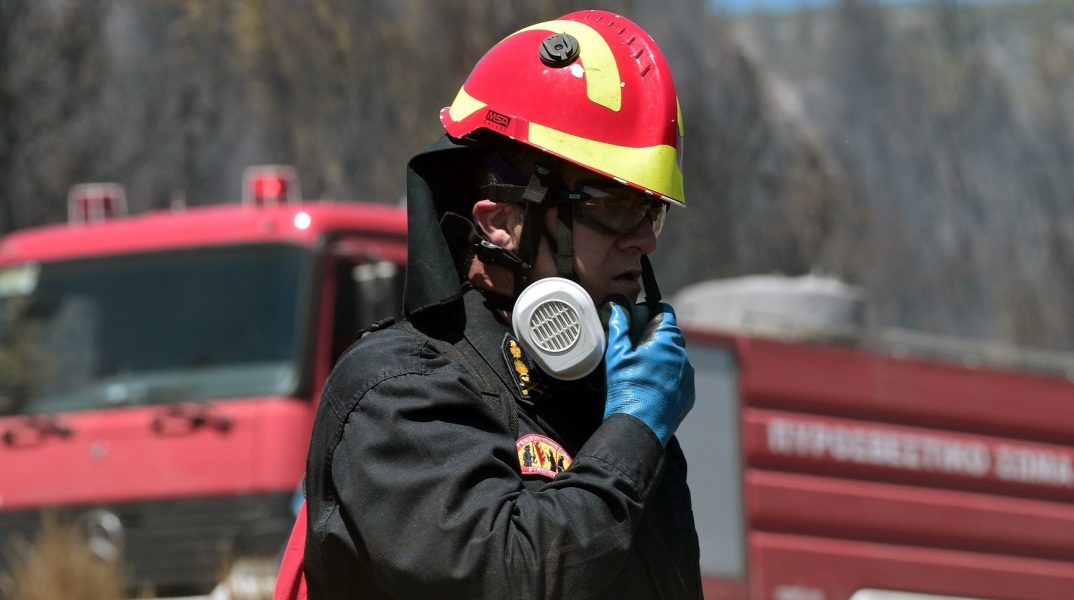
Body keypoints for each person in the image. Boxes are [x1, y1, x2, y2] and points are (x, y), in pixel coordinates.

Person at [302, 9, 701, 599]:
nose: (643, 239)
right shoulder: (397, 394)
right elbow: (507, 577)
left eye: (651, 212)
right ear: (502, 223)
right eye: (614, 207)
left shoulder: (609, 409)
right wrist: (632, 433)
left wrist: (630, 431)